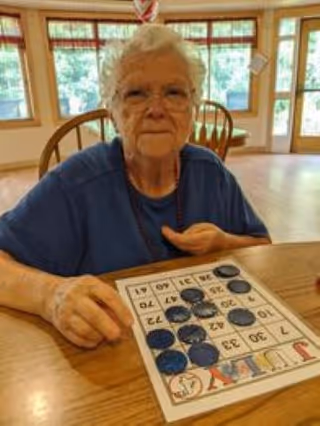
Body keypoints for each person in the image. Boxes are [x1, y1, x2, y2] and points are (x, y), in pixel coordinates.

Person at [0, 24, 270, 349]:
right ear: (113, 111)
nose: (156, 109)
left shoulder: (210, 171)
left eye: (174, 92)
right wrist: (50, 295)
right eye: (136, 93)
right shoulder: (76, 182)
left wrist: (225, 243)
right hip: (108, 358)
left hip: (207, 346)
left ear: (193, 108)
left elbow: (264, 247)